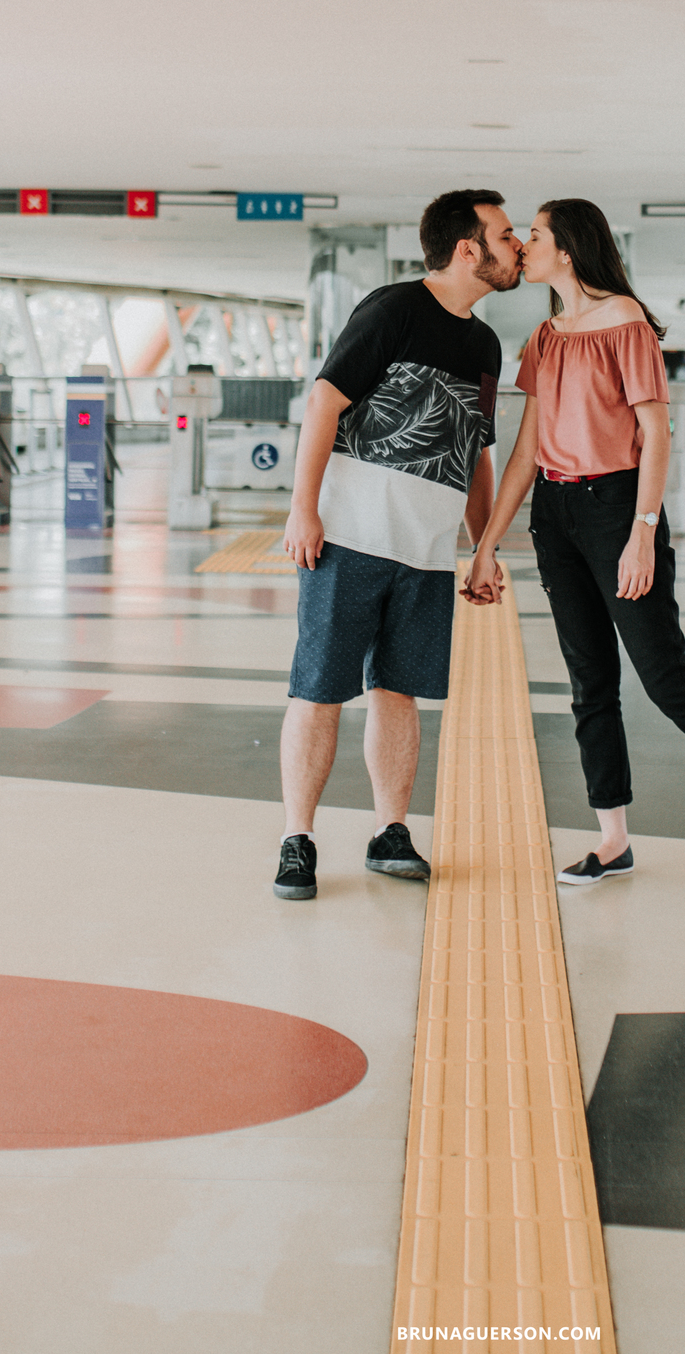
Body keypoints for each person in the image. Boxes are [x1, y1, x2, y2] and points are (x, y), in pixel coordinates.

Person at [464, 197, 685, 886]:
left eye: (536, 235)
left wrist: (643, 533)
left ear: (570, 249)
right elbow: (526, 447)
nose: (524, 246)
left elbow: (657, 435)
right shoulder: (545, 336)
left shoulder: (625, 323)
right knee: (590, 682)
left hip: (616, 507)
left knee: (663, 673)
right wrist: (489, 542)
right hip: (554, 514)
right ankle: (612, 837)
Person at [274, 190, 523, 901]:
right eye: (506, 236)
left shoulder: (484, 343)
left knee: (399, 693)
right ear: (468, 249)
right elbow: (325, 400)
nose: (518, 249)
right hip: (348, 538)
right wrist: (303, 511)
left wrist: (483, 549)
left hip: (425, 553)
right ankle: (299, 839)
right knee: (320, 689)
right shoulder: (393, 309)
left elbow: (476, 450)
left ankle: (391, 831)